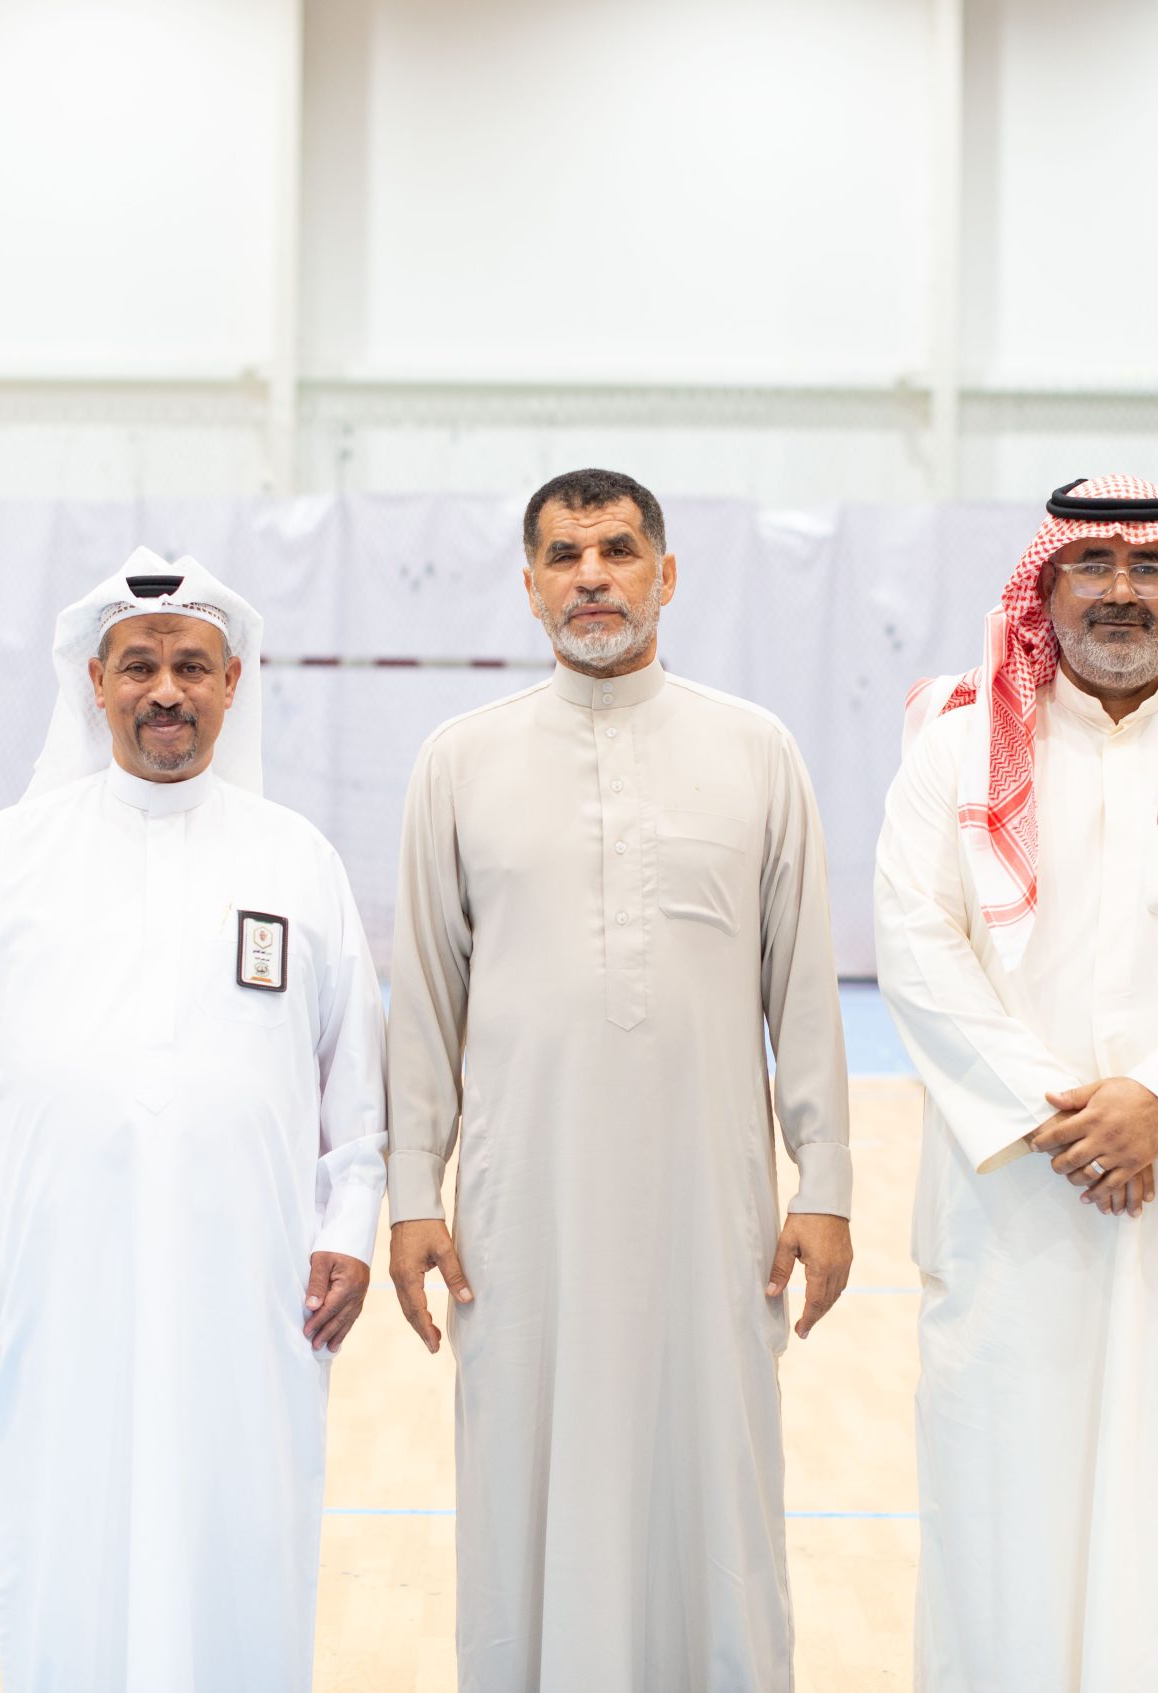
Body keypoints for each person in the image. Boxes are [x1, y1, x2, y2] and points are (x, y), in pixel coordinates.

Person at [873, 475, 1158, 1693]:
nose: (1120, 590)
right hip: (1011, 1210)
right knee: (1000, 1511)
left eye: (1150, 565)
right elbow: (916, 951)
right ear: (1043, 585)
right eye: (1091, 563)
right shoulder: (953, 753)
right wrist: (1065, 1118)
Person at [385, 468, 854, 1690]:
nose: (591, 575)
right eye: (564, 554)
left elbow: (803, 987)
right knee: (521, 1466)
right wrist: (411, 1192)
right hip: (519, 1209)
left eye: (618, 549)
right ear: (530, 585)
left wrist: (825, 1183)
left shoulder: (755, 751)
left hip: (711, 1205)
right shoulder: (459, 761)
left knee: (716, 1471)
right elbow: (424, 993)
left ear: (666, 574)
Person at [0, 550, 386, 1691]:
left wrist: (350, 1225)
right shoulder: (9, 856)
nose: (167, 690)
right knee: (65, 1511)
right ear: (95, 681)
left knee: (242, 1515)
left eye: (192, 667)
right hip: (51, 1269)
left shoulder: (295, 858)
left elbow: (355, 1073)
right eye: (140, 666)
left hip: (255, 1277)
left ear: (232, 682)